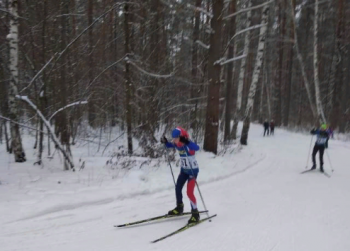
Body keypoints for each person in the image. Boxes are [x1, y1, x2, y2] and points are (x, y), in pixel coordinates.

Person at [160, 127, 200, 223]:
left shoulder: (188, 145)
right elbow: (170, 145)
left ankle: (195, 214)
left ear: (181, 137)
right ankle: (179, 208)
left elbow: (197, 148)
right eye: (173, 139)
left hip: (192, 171)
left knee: (189, 192)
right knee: (178, 187)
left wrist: (186, 142)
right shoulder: (177, 144)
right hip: (184, 171)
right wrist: (165, 142)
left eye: (176, 138)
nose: (174, 141)